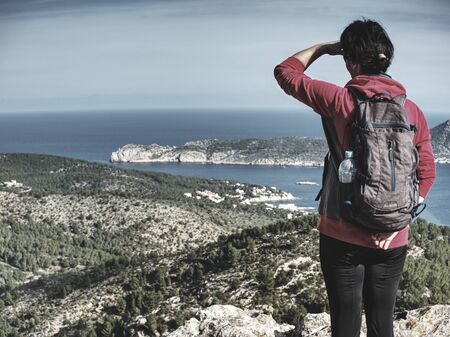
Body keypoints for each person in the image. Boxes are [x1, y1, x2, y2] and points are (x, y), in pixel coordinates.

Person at [273, 19, 436, 337]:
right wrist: (394, 222)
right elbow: (426, 174)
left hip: (341, 234)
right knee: (381, 322)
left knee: (345, 325)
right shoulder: (412, 111)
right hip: (393, 239)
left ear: (350, 60)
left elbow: (285, 72)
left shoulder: (338, 100)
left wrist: (322, 49)